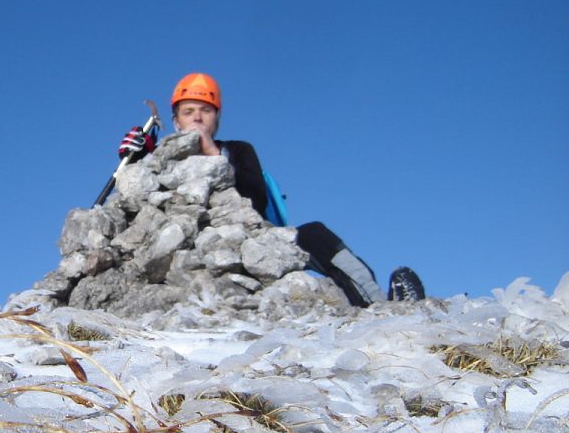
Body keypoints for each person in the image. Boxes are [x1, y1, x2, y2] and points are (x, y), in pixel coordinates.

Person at [118, 72, 425, 307]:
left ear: (218, 118)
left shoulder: (236, 150)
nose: (197, 117)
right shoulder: (159, 159)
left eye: (205, 110)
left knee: (314, 234)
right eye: (189, 111)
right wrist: (137, 158)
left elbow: (255, 198)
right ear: (175, 121)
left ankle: (378, 304)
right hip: (183, 253)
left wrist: (212, 155)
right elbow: (135, 207)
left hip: (250, 245)